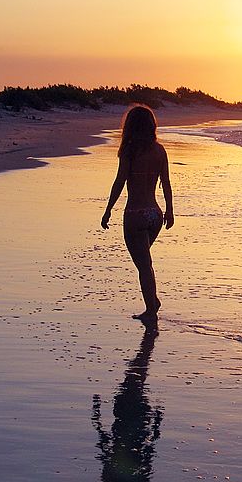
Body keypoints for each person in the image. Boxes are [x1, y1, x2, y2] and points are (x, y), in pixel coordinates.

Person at [101, 104, 174, 322]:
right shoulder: (160, 150)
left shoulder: (129, 150)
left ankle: (151, 309)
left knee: (143, 265)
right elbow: (167, 183)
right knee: (145, 262)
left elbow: (119, 182)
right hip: (154, 215)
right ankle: (153, 301)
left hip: (134, 214)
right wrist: (170, 210)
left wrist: (108, 210)